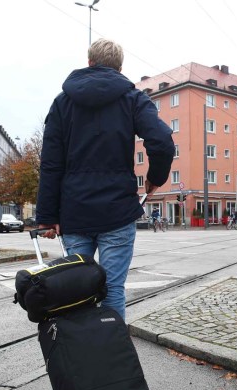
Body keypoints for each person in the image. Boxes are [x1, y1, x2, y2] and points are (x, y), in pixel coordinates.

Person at [37, 38, 175, 321]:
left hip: (75, 212)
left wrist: (47, 216)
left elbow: (51, 164)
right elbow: (161, 140)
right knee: (112, 289)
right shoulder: (133, 98)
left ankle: (82, 357)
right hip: (118, 210)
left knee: (78, 291)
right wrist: (155, 178)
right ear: (120, 67)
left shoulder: (62, 103)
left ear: (89, 63)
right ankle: (113, 359)